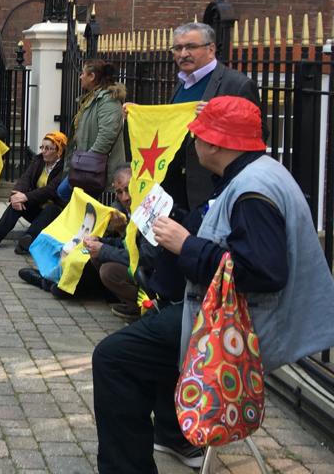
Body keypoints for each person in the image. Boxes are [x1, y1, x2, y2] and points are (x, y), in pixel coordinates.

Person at [92, 96, 334, 473]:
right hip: (229, 317)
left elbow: (262, 272)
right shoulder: (257, 173)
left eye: (199, 137)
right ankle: (172, 435)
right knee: (151, 336)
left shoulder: (253, 190)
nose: (195, 143)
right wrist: (183, 225)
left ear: (217, 144)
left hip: (241, 329)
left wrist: (186, 245)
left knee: (114, 358)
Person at [162, 21, 263, 212]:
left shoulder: (237, 84)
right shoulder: (182, 83)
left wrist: (218, 116)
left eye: (191, 47)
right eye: (178, 48)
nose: (183, 54)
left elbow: (257, 137)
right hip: (176, 190)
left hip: (212, 188)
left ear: (211, 49)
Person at [0, 131, 67, 251]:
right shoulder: (39, 160)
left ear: (59, 151)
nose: (43, 151)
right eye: (42, 147)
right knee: (16, 204)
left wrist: (26, 196)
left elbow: (51, 190)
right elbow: (25, 179)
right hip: (38, 208)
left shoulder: (65, 168)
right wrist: (16, 195)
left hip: (55, 213)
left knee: (51, 209)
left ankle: (26, 241)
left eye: (48, 148)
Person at [57, 59, 126, 204]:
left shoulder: (108, 100)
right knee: (75, 198)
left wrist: (87, 163)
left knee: (65, 193)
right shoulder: (92, 98)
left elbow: (107, 136)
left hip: (95, 167)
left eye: (83, 73)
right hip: (86, 163)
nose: (80, 77)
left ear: (92, 76)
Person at [83, 165, 138, 319]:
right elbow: (124, 243)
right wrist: (100, 241)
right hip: (134, 264)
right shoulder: (121, 211)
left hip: (148, 271)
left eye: (128, 189)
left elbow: (138, 256)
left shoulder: (145, 210)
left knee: (108, 271)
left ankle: (139, 306)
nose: (125, 197)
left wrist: (104, 248)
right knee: (95, 254)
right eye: (120, 192)